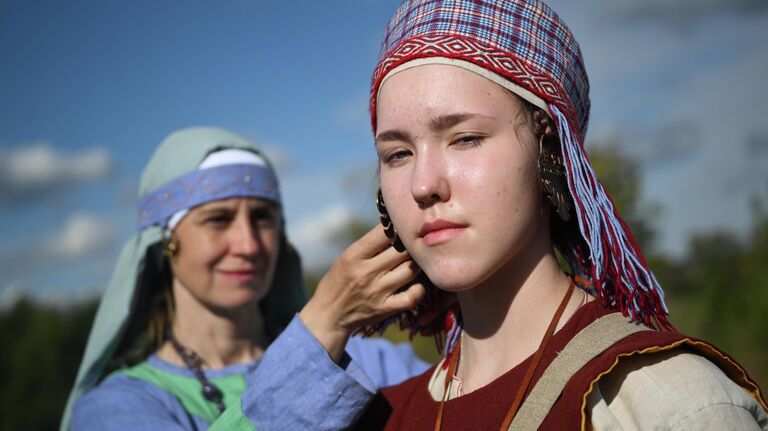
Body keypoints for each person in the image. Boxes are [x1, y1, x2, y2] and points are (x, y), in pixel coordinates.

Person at [357, 0, 768, 429]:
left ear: (549, 150)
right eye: (398, 154)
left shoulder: (664, 405)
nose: (423, 185)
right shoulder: (384, 415)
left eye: (466, 138)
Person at [61, 126, 430, 430]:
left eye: (262, 218)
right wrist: (324, 322)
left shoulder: (371, 361)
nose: (248, 244)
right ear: (166, 242)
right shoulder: (118, 407)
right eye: (218, 219)